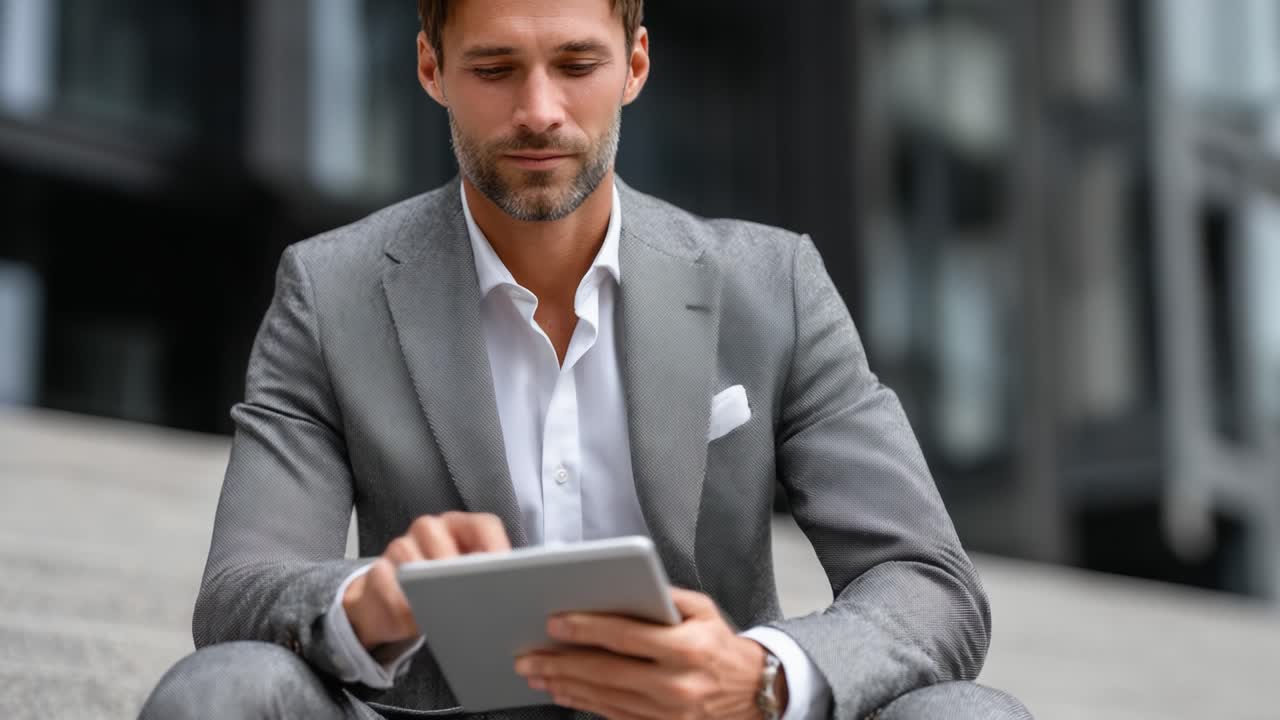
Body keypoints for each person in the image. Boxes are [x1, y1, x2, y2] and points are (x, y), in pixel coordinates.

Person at [142, 0, 1031, 718]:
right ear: (430, 68)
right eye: (494, 69)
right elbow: (241, 592)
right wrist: (370, 602)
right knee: (224, 693)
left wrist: (756, 678)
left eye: (577, 64)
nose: (538, 110)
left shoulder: (774, 285)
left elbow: (929, 583)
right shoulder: (328, 292)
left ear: (635, 65)